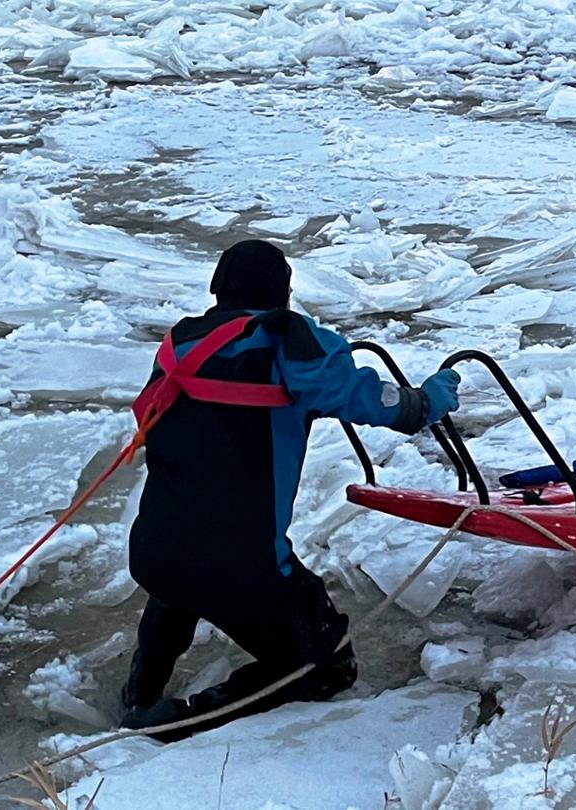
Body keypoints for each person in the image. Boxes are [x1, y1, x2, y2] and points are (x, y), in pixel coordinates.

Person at [119, 239, 461, 740]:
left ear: (218, 289)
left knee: (179, 585)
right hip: (243, 567)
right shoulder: (288, 338)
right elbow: (378, 402)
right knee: (327, 666)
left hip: (154, 550)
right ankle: (176, 723)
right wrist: (430, 397)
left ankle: (139, 697)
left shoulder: (180, 344)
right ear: (283, 291)